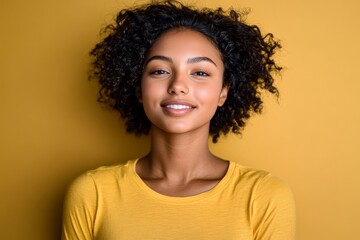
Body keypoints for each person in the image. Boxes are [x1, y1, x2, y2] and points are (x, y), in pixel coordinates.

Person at [61, 1, 296, 239]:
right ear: (139, 90)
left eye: (200, 73)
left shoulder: (264, 195)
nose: (178, 86)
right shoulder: (93, 192)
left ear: (223, 92)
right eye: (159, 71)